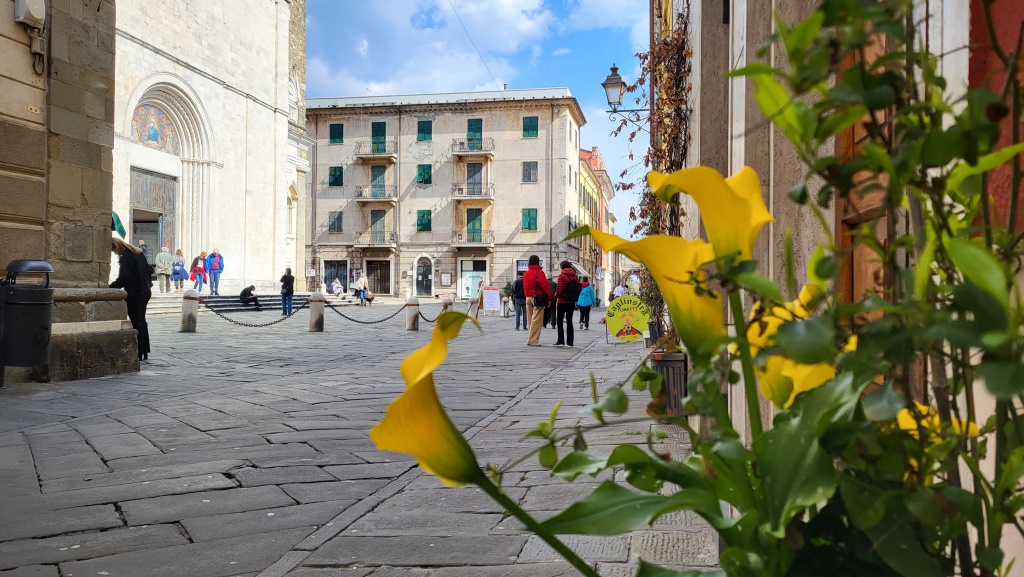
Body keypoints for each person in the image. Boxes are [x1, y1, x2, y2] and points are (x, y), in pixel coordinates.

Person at [110, 237, 152, 360]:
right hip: (145, 291)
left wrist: (109, 288)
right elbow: (149, 270)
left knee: (136, 322)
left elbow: (124, 278)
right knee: (142, 321)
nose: (114, 252)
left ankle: (138, 351)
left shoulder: (126, 258)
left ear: (116, 246)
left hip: (134, 293)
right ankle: (144, 350)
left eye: (113, 250)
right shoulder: (138, 253)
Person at [522, 255, 551, 346]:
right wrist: (549, 298)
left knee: (530, 319)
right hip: (537, 298)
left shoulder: (526, 273)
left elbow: (525, 286)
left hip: (528, 298)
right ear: (538, 262)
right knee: (537, 320)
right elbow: (545, 286)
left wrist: (527, 295)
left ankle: (530, 338)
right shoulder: (539, 272)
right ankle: (533, 340)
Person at [554, 261, 580, 348]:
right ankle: (570, 342)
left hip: (562, 301)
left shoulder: (561, 276)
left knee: (560, 321)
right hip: (571, 301)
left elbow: (559, 289)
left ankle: (560, 340)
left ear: (562, 267)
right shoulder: (575, 276)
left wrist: (556, 295)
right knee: (569, 321)